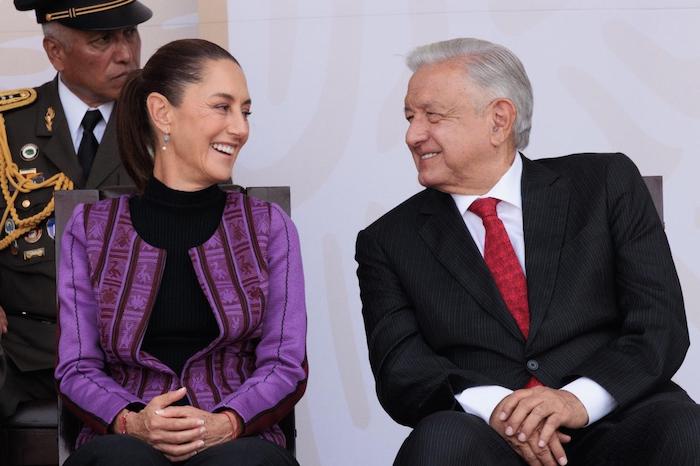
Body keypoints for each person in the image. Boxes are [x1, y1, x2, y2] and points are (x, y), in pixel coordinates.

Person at [355, 37, 700, 466]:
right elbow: (401, 372)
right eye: (409, 117)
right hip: (485, 435)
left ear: (499, 120)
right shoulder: (388, 240)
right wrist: (502, 409)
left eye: (432, 116)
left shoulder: (605, 183)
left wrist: (577, 399)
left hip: (612, 417)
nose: (412, 135)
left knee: (686, 427)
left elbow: (659, 325)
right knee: (440, 441)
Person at [55, 38, 307, 466]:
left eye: (245, 111)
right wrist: (132, 421)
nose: (240, 128)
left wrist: (226, 422)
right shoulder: (91, 229)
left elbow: (285, 362)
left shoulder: (267, 226)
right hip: (126, 441)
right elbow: (77, 365)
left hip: (238, 442)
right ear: (161, 112)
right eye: (222, 107)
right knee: (120, 461)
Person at [0, 0, 152, 420]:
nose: (125, 53)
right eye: (103, 40)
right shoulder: (6, 125)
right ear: (55, 52)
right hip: (27, 347)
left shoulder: (162, 122)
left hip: (135, 350)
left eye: (130, 35)